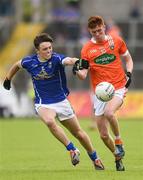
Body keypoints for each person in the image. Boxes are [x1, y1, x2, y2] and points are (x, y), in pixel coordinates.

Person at [3, 33, 104, 170]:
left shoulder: (56, 59)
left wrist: (77, 62)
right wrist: (8, 79)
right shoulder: (29, 62)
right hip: (43, 103)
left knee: (79, 133)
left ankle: (95, 158)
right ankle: (72, 149)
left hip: (62, 102)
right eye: (45, 49)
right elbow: (16, 65)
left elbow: (68, 60)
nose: (49, 51)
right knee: (50, 121)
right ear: (37, 51)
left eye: (50, 47)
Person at [72, 16, 133, 171]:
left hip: (118, 87)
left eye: (99, 30)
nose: (98, 33)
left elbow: (128, 58)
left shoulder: (116, 41)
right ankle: (117, 157)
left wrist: (129, 73)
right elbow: (84, 74)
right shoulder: (86, 49)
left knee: (109, 113)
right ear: (89, 31)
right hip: (100, 93)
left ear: (104, 27)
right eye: (94, 31)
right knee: (104, 136)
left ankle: (119, 142)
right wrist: (77, 71)